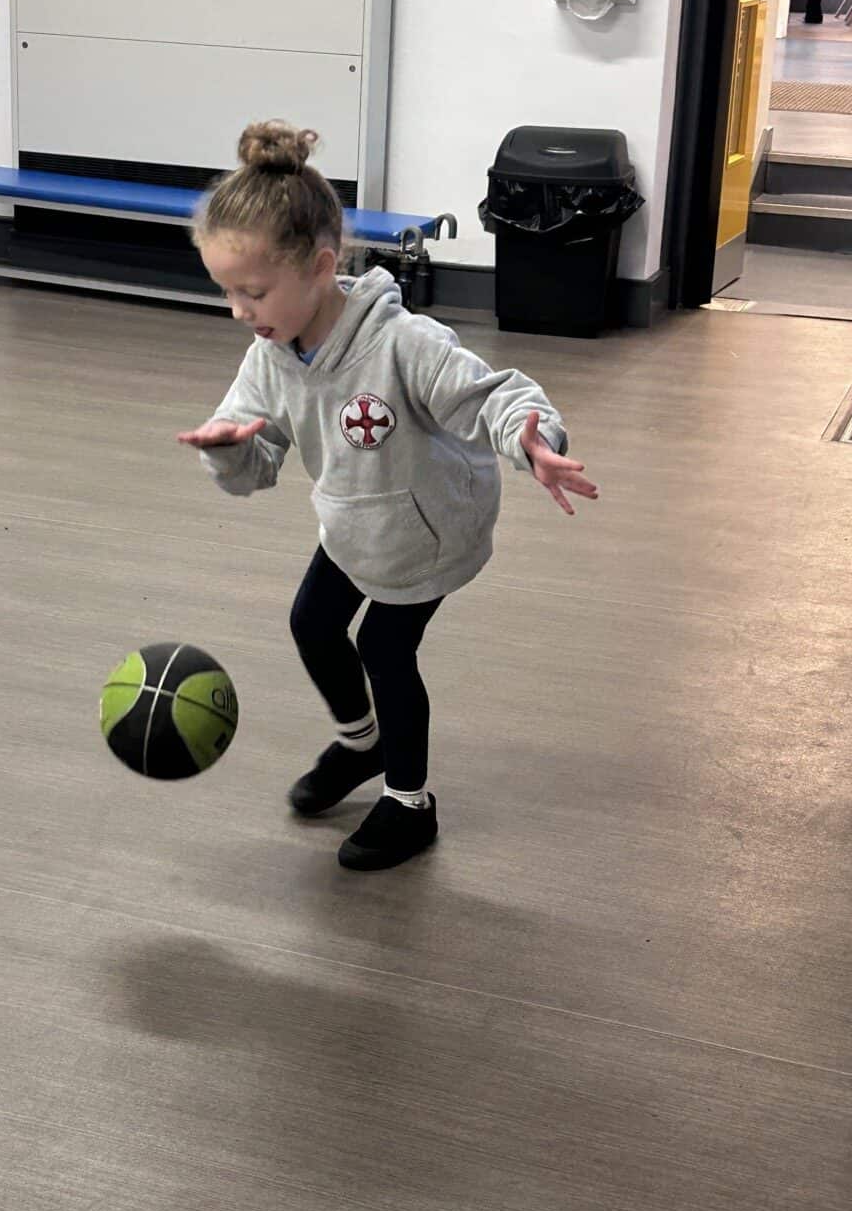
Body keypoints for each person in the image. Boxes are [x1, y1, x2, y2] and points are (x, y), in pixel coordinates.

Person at [178, 122, 598, 872]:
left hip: (431, 524)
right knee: (312, 623)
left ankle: (409, 804)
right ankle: (361, 744)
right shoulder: (269, 355)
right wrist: (229, 451)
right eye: (227, 292)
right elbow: (256, 464)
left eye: (253, 291)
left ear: (321, 267)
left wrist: (533, 441)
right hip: (357, 520)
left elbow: (495, 395)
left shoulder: (402, 342)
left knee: (382, 646)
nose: (239, 310)